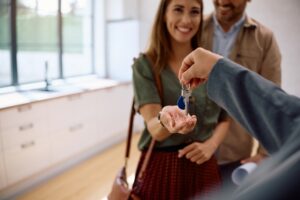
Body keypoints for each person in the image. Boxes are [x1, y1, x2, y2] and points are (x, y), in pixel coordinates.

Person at [158, 47, 299, 199]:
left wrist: (263, 154)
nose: (186, 21)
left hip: (228, 157)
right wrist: (162, 117)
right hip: (174, 165)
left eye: (193, 20)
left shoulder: (262, 38)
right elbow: (288, 117)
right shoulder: (151, 62)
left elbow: (283, 115)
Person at [131, 0, 231, 199]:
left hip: (205, 166)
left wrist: (211, 145)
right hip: (163, 169)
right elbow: (154, 130)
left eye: (194, 12)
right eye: (178, 9)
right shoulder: (145, 65)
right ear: (164, 15)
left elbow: (225, 118)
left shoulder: (213, 63)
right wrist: (165, 120)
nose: (186, 20)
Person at [200, 0, 282, 188]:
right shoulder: (194, 28)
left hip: (236, 154)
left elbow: (271, 98)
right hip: (193, 148)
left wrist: (265, 153)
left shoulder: (264, 38)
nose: (222, 1)